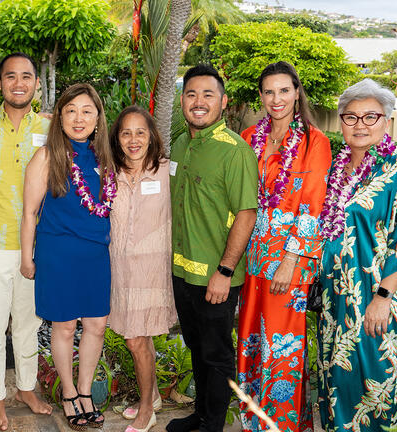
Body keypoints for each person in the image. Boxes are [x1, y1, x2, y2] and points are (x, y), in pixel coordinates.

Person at [317, 79, 397, 431]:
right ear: (340, 122)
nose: (360, 125)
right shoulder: (337, 170)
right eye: (350, 117)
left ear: (387, 120)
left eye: (371, 116)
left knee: (376, 387)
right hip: (337, 302)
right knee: (338, 382)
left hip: (377, 301)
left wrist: (382, 298)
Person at [236, 61, 332, 431]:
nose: (276, 99)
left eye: (284, 90)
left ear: (297, 93)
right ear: (261, 96)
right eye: (269, 91)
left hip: (289, 259)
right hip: (251, 254)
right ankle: (253, 420)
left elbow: (313, 202)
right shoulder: (248, 137)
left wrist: (291, 259)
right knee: (251, 340)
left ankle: (282, 424)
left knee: (282, 344)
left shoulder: (314, 141)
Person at [167, 64, 259, 432]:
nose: (199, 102)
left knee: (217, 354)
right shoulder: (180, 144)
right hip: (180, 272)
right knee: (196, 347)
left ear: (223, 102)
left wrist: (224, 271)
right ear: (182, 101)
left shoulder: (235, 151)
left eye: (208, 95)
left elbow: (246, 214)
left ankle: (214, 424)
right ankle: (201, 414)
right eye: (191, 94)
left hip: (215, 277)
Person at [0, 52, 53, 431]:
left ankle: (26, 388)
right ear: (0, 82)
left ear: (37, 83)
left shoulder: (51, 129)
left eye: (27, 76)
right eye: (11, 76)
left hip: (36, 245)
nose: (19, 83)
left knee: (29, 324)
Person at [21, 83, 115, 431]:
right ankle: (70, 393)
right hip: (58, 254)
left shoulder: (106, 158)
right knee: (63, 327)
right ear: (59, 117)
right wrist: (27, 257)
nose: (79, 118)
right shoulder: (47, 157)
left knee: (96, 326)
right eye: (71, 110)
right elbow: (30, 212)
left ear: (97, 117)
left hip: (95, 255)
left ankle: (87, 391)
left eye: (87, 111)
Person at [107, 105, 176, 432]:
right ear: (116, 138)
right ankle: (156, 396)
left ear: (152, 136)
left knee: (136, 340)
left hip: (152, 271)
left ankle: (147, 409)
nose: (133, 139)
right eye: (126, 132)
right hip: (120, 270)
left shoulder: (167, 170)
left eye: (140, 132)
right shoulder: (110, 171)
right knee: (139, 338)